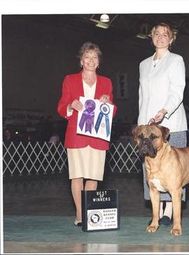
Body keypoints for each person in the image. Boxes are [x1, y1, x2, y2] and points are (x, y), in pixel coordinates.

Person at [57, 42, 117, 226]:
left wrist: (107, 103)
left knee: (93, 176)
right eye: (87, 57)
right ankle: (80, 214)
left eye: (94, 57)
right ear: (81, 61)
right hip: (76, 135)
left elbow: (112, 112)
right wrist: (70, 106)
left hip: (98, 136)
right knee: (77, 175)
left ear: (98, 62)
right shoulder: (70, 79)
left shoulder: (106, 82)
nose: (91, 60)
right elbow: (61, 107)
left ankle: (89, 213)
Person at [137, 22, 187, 226]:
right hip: (147, 127)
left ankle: (168, 212)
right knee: (151, 170)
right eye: (157, 34)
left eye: (165, 34)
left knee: (173, 172)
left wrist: (164, 111)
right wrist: (141, 123)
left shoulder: (176, 61)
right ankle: (158, 213)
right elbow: (142, 96)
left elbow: (178, 91)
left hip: (170, 123)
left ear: (171, 38)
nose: (160, 37)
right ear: (151, 36)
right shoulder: (143, 64)